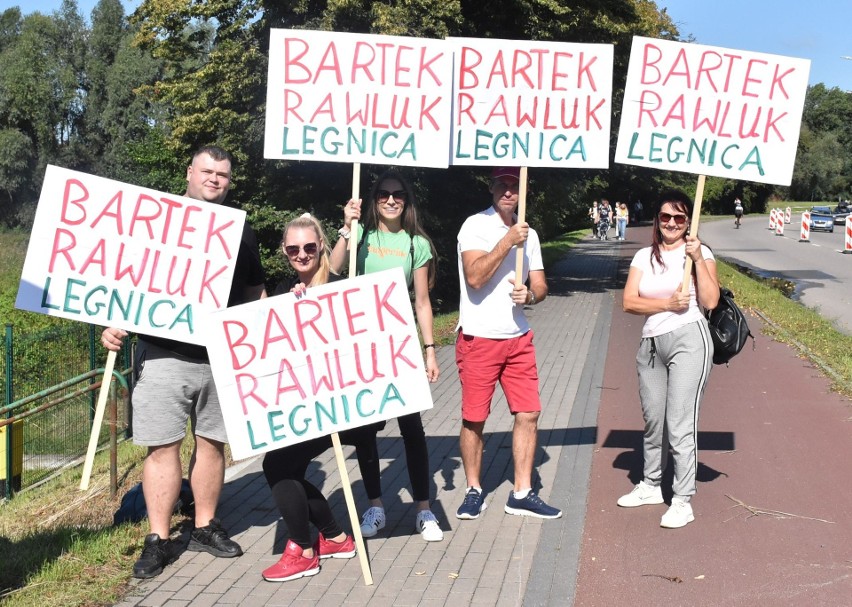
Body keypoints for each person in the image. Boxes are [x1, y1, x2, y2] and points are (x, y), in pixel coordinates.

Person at [101, 146, 267, 578]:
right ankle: (157, 539)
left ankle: (205, 526)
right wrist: (110, 324)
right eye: (208, 171)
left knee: (213, 443)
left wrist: (264, 341)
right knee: (163, 447)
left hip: (221, 358)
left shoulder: (242, 229)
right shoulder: (159, 219)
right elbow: (125, 279)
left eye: (224, 174)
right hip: (164, 354)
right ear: (190, 172)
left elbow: (254, 294)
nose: (215, 179)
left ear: (230, 181)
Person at [261, 213, 385, 582]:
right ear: (284, 251)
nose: (302, 254)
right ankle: (335, 537)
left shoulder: (339, 285)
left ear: (321, 247)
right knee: (286, 469)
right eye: (294, 248)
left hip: (339, 408)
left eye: (310, 247)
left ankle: (303, 549)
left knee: (277, 467)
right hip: (302, 402)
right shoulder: (284, 288)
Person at [329, 169, 443, 542]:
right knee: (364, 431)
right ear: (373, 199)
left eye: (398, 195)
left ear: (407, 201)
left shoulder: (416, 244)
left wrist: (429, 350)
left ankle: (424, 510)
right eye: (383, 194)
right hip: (361, 346)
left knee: (412, 428)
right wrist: (347, 227)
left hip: (400, 346)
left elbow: (422, 302)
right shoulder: (361, 234)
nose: (391, 200)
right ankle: (375, 506)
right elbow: (332, 268)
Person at [454, 166, 562, 521]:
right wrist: (506, 241)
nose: (508, 190)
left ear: (522, 191)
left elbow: (542, 285)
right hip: (479, 337)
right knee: (474, 419)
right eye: (502, 183)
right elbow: (474, 277)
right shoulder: (475, 225)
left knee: (529, 413)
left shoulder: (529, 234)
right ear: (491, 187)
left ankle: (522, 492)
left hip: (518, 338)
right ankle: (473, 489)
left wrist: (530, 295)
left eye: (514, 185)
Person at [619, 190, 720, 529]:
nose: (672, 223)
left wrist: (699, 258)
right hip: (651, 345)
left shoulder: (699, 252)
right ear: (657, 220)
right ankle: (649, 484)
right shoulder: (644, 256)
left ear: (688, 221)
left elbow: (710, 299)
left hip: (688, 338)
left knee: (679, 423)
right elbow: (629, 302)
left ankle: (682, 499)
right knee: (653, 421)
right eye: (666, 217)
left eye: (679, 218)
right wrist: (665, 305)